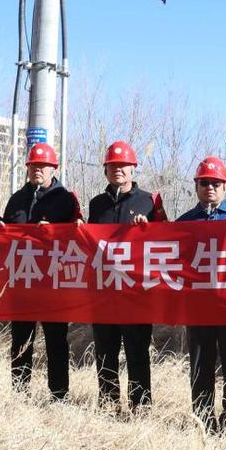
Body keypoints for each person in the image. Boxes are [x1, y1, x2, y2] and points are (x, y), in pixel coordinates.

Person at [86, 141, 167, 412]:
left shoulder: (149, 201)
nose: (118, 169)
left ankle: (140, 407)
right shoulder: (96, 204)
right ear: (105, 170)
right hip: (104, 291)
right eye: (112, 166)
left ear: (133, 168)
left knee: (137, 351)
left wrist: (149, 228)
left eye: (123, 165)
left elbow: (166, 238)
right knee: (104, 351)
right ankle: (108, 405)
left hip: (136, 293)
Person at [177, 155, 226, 433]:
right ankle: (203, 418)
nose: (210, 188)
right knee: (201, 363)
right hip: (198, 306)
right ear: (196, 186)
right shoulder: (184, 222)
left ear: (225, 186)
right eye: (204, 183)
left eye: (215, 183)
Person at [3, 142, 81, 400]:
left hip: (53, 284)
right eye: (33, 165)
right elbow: (5, 235)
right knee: (21, 340)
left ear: (53, 168)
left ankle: (59, 394)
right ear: (27, 168)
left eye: (43, 165)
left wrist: (57, 230)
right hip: (23, 281)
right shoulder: (17, 199)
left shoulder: (66, 199)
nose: (38, 169)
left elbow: (79, 235)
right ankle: (19, 393)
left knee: (56, 341)